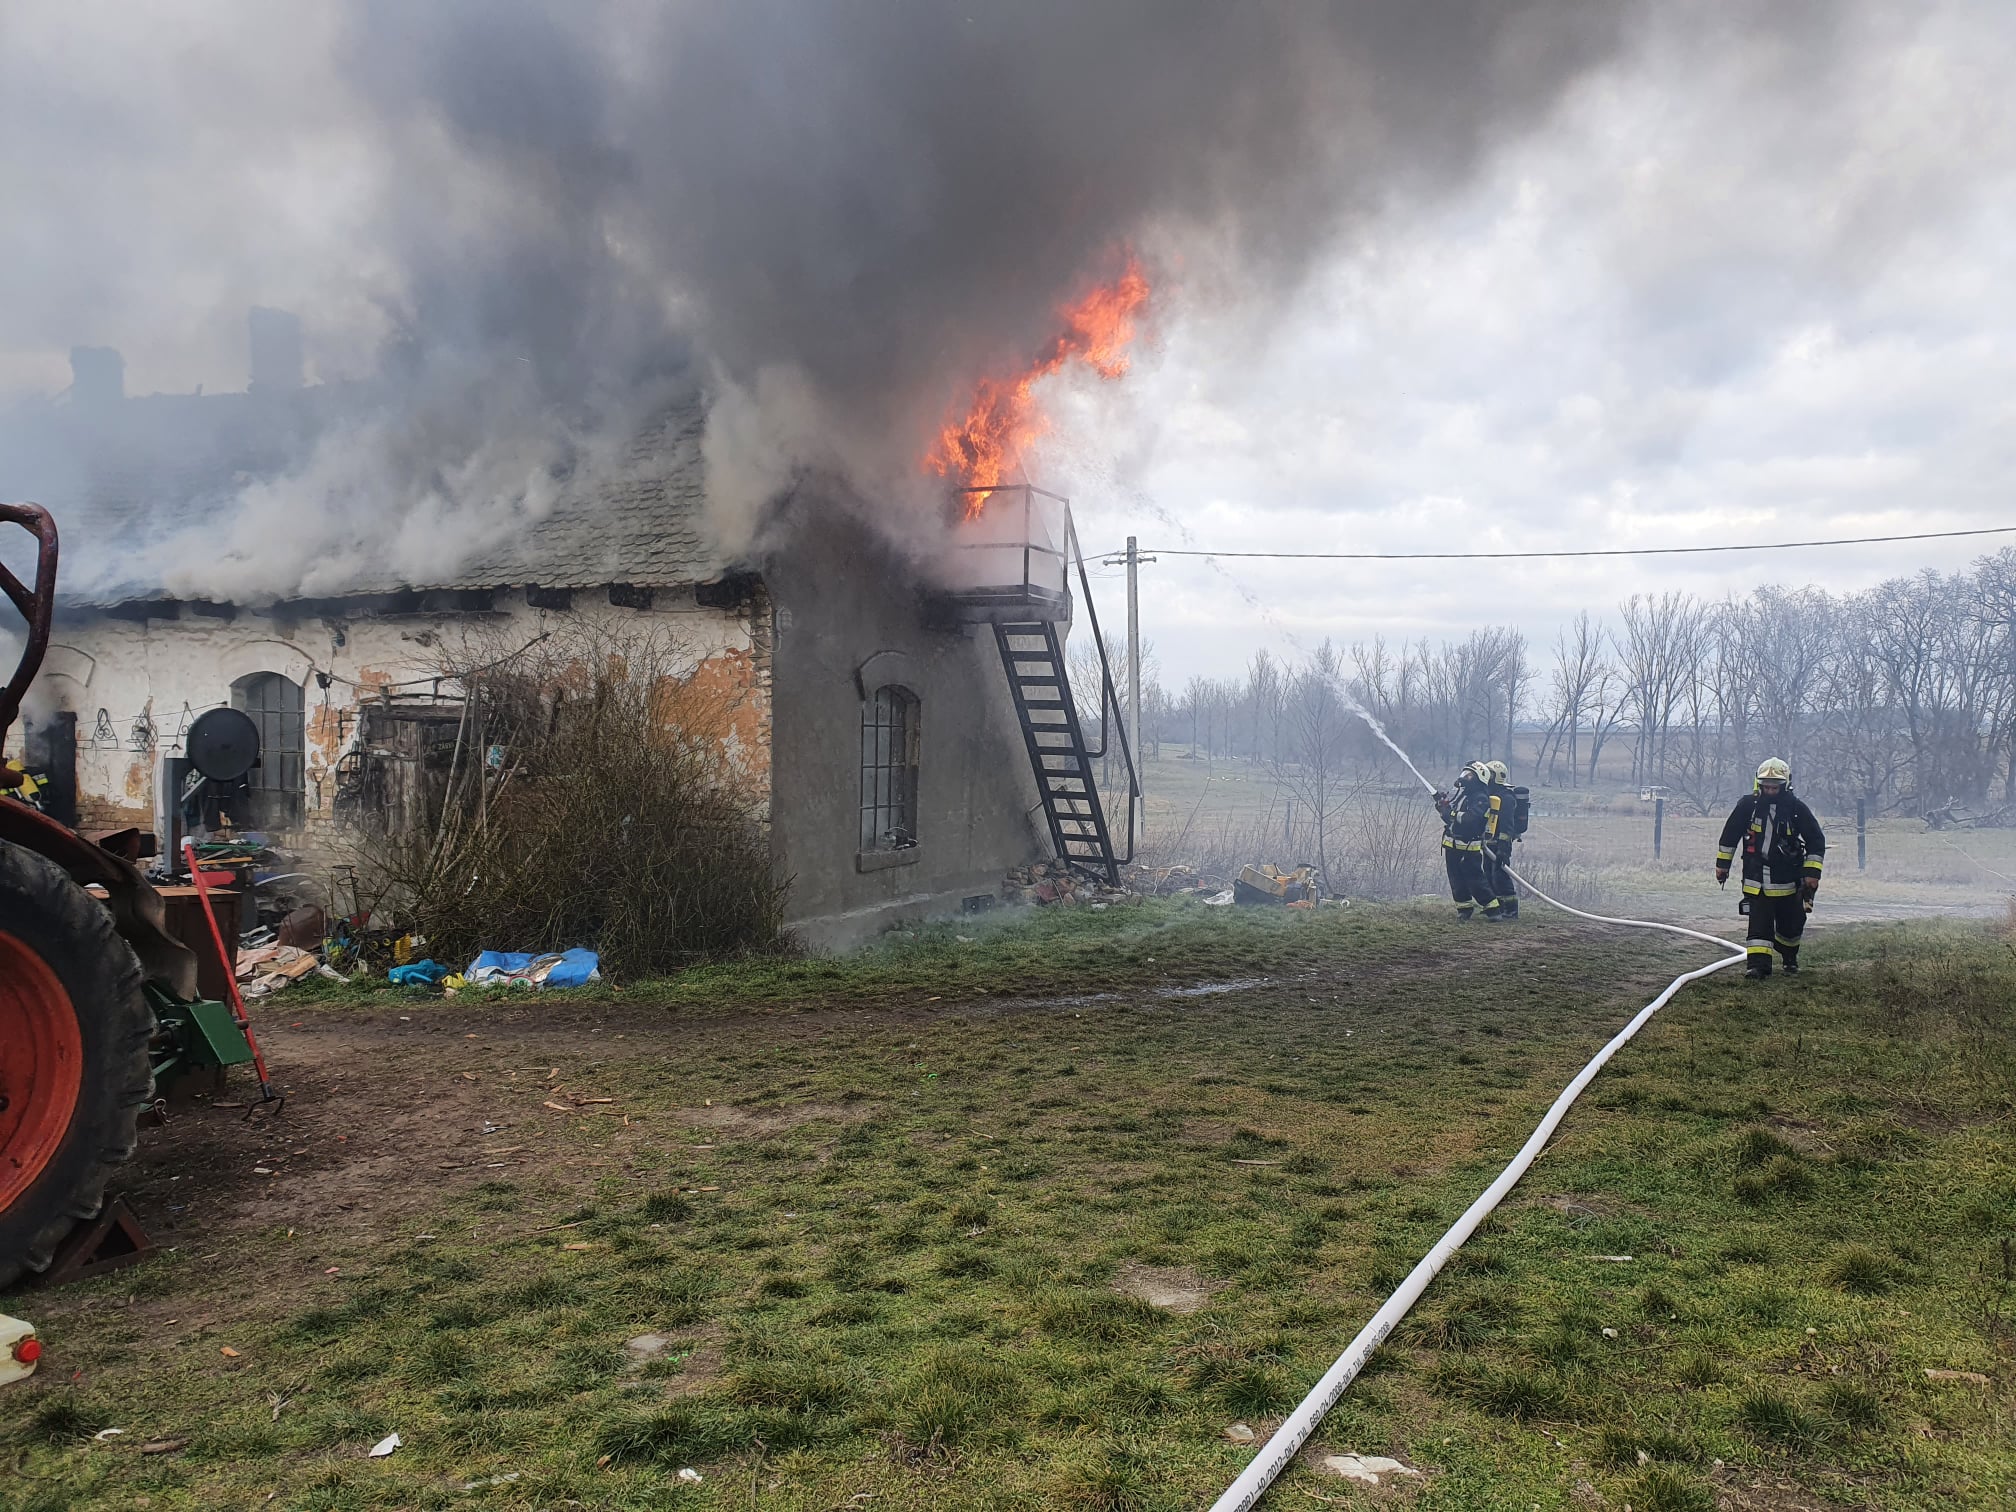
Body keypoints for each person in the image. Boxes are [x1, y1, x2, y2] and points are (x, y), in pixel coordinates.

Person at [1715, 757, 1825, 979]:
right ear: (1759, 784)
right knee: (1759, 924)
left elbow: (1816, 840)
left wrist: (1812, 873)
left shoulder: (1796, 809)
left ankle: (1789, 956)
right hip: (1756, 879)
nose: (1770, 790)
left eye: (1775, 787)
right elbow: (1730, 835)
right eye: (1766, 786)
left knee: (1791, 926)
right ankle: (1758, 966)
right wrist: (1722, 866)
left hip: (1788, 880)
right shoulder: (1748, 806)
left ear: (1785, 785)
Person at [1435, 761, 1503, 921]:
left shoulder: (1480, 798)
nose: (1464, 778)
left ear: (1479, 778)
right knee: (1456, 879)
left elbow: (1470, 819)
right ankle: (1464, 909)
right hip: (1452, 844)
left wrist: (1451, 814)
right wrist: (1443, 808)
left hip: (1468, 848)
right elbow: (1451, 816)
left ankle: (1493, 911)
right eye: (1464, 774)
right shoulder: (1463, 794)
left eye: (1469, 775)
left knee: (1475, 880)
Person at [1482, 759, 1520, 920]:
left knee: (1500, 875)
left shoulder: (1506, 798)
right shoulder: (1490, 794)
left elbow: (1507, 826)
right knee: (1488, 874)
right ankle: (1497, 906)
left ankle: (1511, 909)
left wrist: (1504, 849)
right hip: (1488, 842)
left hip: (1500, 844)